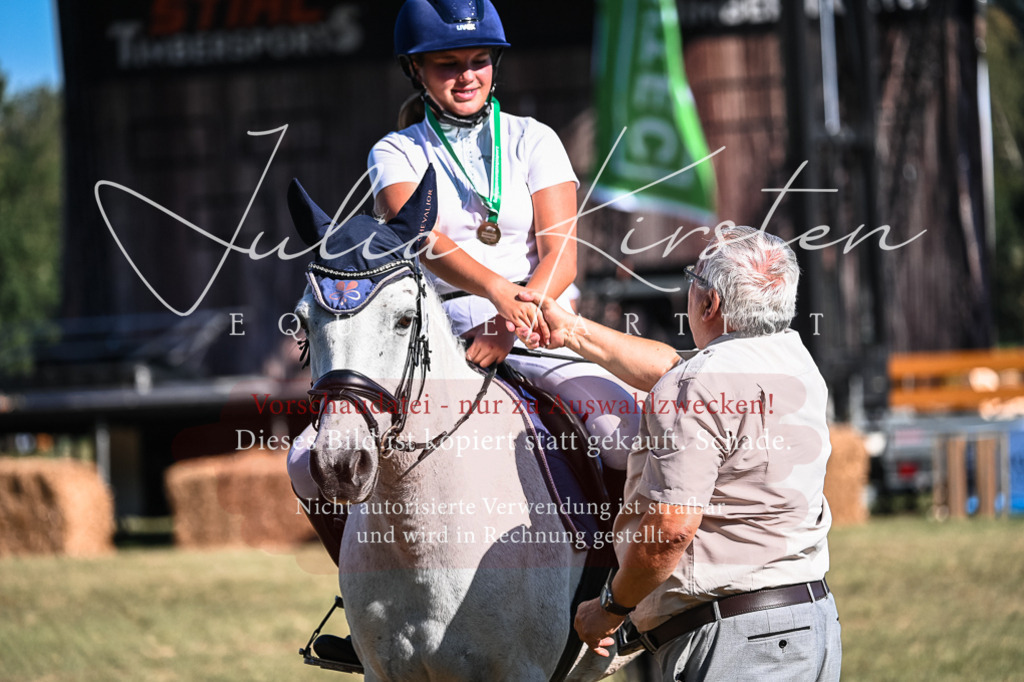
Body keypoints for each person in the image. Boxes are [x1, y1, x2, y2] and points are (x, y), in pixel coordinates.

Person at [517, 225, 842, 681]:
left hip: (737, 640)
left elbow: (670, 529)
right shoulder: (796, 362)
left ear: (710, 304)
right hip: (812, 623)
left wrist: (609, 609)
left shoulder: (697, 384)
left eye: (693, 279)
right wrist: (570, 330)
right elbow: (675, 367)